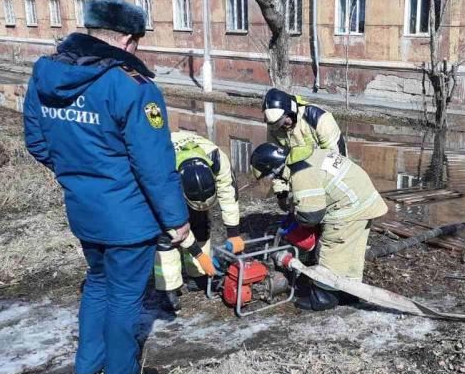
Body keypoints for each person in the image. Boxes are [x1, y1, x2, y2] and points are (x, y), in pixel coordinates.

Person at [23, 0, 189, 374]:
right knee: (126, 295)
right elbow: (153, 164)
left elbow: (37, 142)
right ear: (128, 39)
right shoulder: (130, 85)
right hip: (128, 215)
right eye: (138, 43)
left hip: (83, 208)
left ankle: (87, 366)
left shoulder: (46, 74)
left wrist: (79, 174)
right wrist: (177, 220)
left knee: (97, 282)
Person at [250, 142, 387, 311]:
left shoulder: (301, 173)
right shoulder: (307, 155)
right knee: (352, 252)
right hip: (365, 201)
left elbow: (311, 216)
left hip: (348, 207)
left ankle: (324, 297)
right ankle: (350, 292)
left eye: (270, 176)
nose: (272, 180)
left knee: (331, 248)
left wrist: (296, 218)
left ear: (274, 168)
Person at [154, 131, 244, 311]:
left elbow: (229, 195)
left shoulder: (217, 159)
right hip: (169, 182)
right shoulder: (161, 169)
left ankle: (197, 276)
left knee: (201, 225)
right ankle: (168, 289)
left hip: (192, 163)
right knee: (167, 239)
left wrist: (233, 233)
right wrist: (198, 253)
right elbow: (169, 221)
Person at [262, 88, 345, 211]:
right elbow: (277, 162)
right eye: (277, 124)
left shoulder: (319, 119)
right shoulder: (274, 127)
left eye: (283, 121)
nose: (282, 126)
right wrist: (281, 193)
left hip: (326, 171)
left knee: (329, 208)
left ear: (291, 109)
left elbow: (337, 160)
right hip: (300, 175)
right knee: (301, 210)